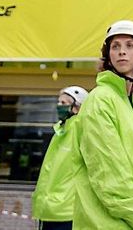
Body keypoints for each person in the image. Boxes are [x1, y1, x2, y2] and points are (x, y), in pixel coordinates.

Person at [73, 20, 133, 229]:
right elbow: (108, 172)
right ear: (108, 57)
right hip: (107, 224)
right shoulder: (100, 99)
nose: (121, 52)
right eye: (115, 46)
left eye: (129, 45)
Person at [31, 86, 88, 230]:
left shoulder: (82, 130)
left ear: (77, 107)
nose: (58, 106)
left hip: (67, 211)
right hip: (49, 209)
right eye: (58, 102)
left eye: (63, 103)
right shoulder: (60, 131)